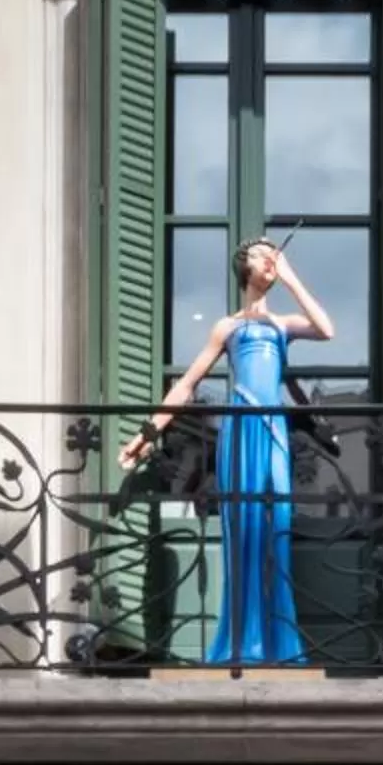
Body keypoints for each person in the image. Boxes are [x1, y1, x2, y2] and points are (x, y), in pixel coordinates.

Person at [120, 239, 335, 666]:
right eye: (260, 254)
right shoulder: (228, 327)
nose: (268, 259)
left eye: (273, 253)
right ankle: (243, 642)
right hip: (241, 428)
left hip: (272, 428)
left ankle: (279, 643)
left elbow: (326, 329)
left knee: (276, 528)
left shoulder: (282, 325)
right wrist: (147, 433)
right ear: (242, 267)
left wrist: (290, 277)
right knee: (243, 528)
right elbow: (186, 385)